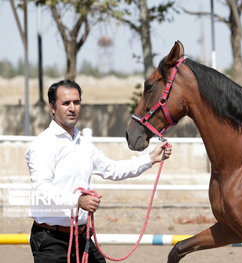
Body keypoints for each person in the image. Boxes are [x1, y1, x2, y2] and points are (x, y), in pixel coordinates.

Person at [25, 79, 172, 263]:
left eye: (76, 102)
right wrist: (78, 201)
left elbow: (112, 169)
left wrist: (150, 159)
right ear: (53, 107)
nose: (72, 108)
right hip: (51, 241)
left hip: (81, 237)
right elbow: (42, 191)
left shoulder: (83, 143)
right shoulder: (42, 145)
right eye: (66, 103)